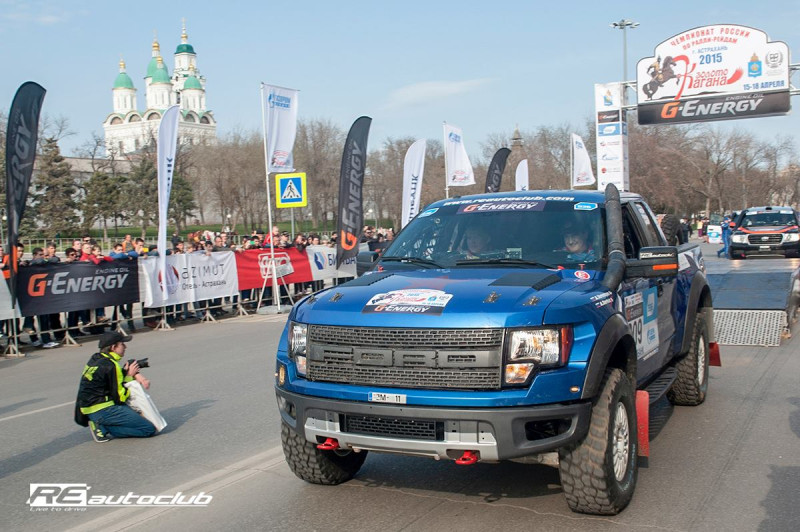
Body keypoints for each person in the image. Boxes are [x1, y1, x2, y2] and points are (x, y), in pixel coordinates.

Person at [75, 331, 156, 442]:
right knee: (148, 429)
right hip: (103, 409)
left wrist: (126, 372)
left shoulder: (96, 358)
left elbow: (107, 381)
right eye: (122, 344)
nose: (125, 346)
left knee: (135, 416)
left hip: (87, 408)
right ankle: (104, 427)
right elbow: (120, 397)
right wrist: (128, 376)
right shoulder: (111, 365)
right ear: (113, 347)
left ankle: (99, 422)